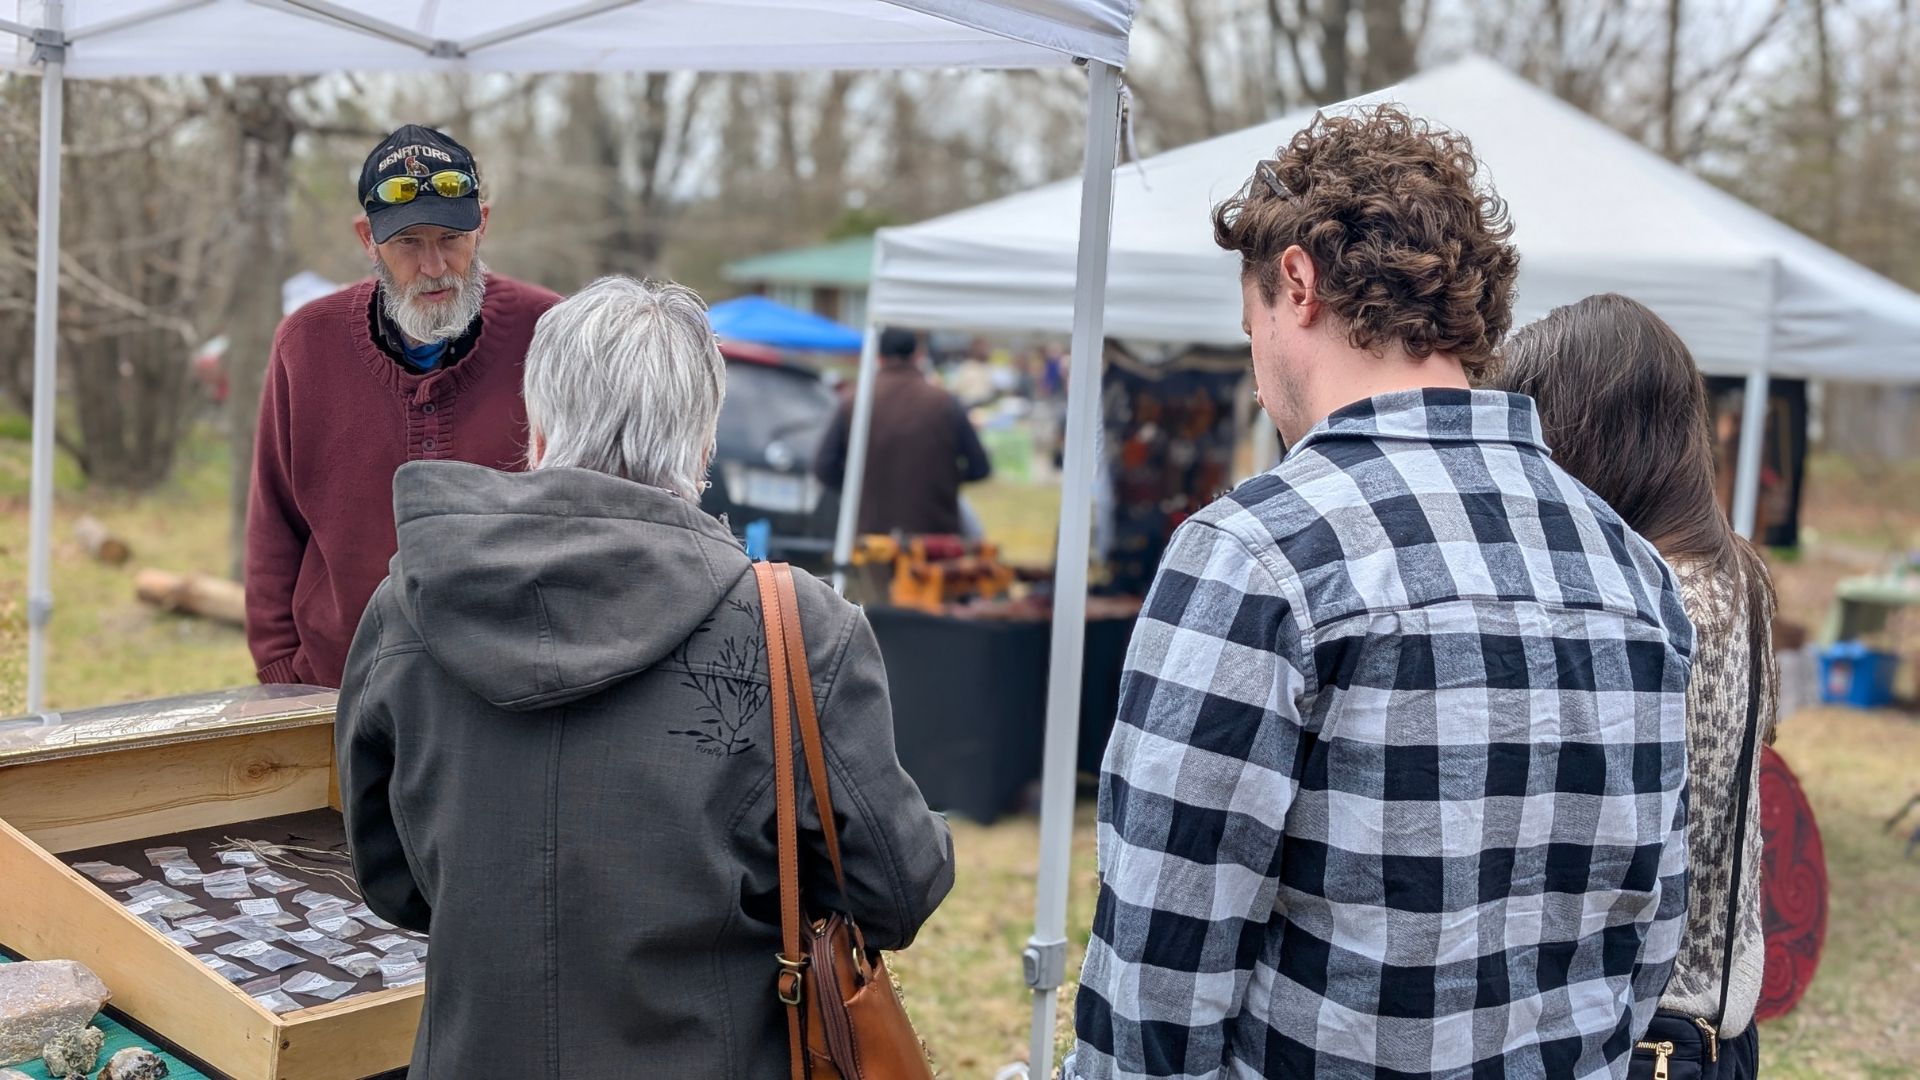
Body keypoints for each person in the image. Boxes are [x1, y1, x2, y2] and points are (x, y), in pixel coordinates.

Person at [1070, 108, 1695, 1079]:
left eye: (1251, 330)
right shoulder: (1633, 570)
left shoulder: (1255, 554)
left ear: (1297, 283)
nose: (1256, 363)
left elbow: (1156, 986)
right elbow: (1648, 947)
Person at [335, 276, 954, 1079]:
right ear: (702, 445)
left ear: (542, 432)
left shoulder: (405, 610)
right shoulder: (795, 626)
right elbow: (897, 888)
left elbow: (390, 879)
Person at [1491, 293, 1775, 1078]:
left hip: (1647, 1028)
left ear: (1590, 437)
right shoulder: (1739, 579)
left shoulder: (1649, 604)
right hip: (1717, 1025)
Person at [245, 123, 560, 688]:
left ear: (482, 224)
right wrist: (282, 672)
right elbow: (274, 521)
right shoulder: (306, 344)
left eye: (451, 238)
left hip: (511, 690)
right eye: (409, 243)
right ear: (368, 238)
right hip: (341, 687)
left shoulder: (551, 333)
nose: (435, 266)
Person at [815, 327, 992, 536]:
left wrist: (862, 486)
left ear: (879, 358)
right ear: (918, 356)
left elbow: (824, 467)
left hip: (871, 535)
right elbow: (980, 467)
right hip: (935, 536)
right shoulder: (945, 403)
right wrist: (944, 479)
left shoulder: (854, 402)